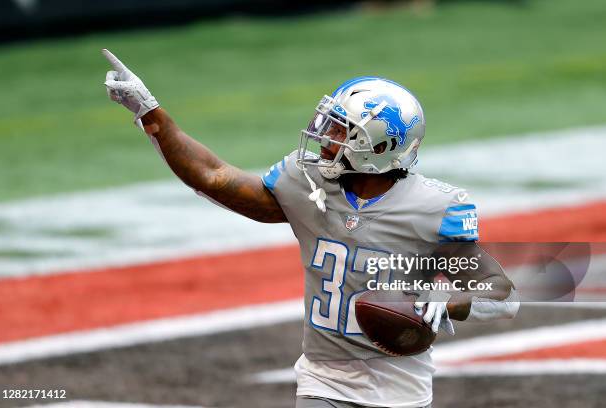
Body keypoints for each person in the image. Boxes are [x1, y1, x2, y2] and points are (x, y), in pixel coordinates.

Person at [102, 49, 519, 408]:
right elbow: (212, 176)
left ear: (379, 147)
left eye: (342, 130)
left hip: (399, 387)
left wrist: (448, 300)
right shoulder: (309, 182)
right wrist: (152, 115)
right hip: (323, 376)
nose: (324, 136)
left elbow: (503, 294)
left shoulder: (434, 208)